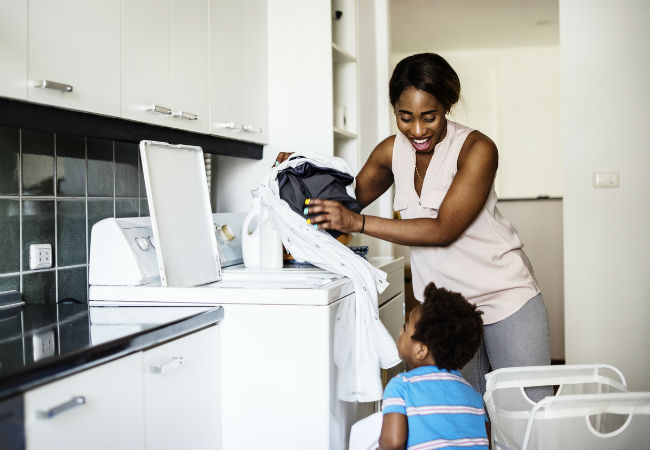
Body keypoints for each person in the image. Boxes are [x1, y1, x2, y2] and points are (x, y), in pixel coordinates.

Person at [275, 52, 551, 399]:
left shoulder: (477, 149)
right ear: (394, 111)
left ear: (447, 105)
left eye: (429, 117)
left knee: (527, 414)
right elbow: (342, 203)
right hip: (446, 310)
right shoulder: (390, 153)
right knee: (458, 418)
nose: (418, 131)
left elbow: (443, 229)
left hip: (505, 297)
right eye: (405, 118)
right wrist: (299, 170)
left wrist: (357, 222)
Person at [378, 282, 488, 450]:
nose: (400, 333)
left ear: (421, 350)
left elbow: (393, 443)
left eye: (405, 329)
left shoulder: (401, 386)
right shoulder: (474, 395)